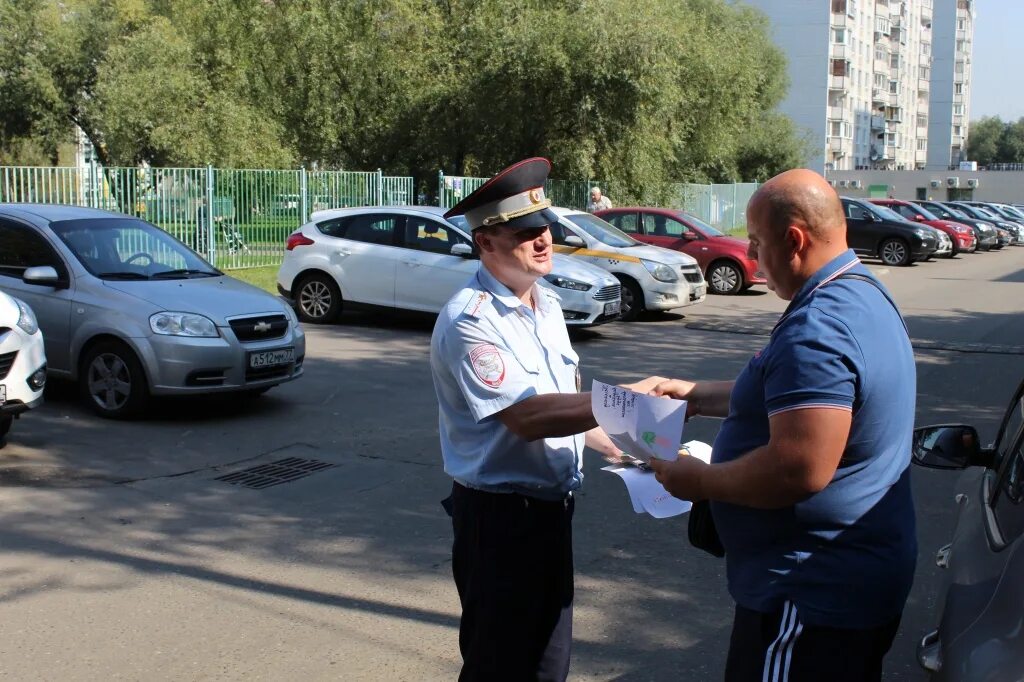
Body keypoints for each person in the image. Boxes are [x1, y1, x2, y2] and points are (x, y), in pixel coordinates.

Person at [646, 168, 917, 682]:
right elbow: (813, 402)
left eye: (756, 242)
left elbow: (797, 470)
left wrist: (696, 480)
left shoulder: (819, 328)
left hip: (808, 593)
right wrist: (699, 395)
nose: (751, 255)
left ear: (793, 240)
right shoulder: (860, 293)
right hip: (854, 579)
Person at [430, 158, 649, 681]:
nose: (542, 239)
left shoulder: (547, 305)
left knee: (550, 665)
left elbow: (565, 404)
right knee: (499, 665)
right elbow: (528, 417)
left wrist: (628, 447)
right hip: (499, 520)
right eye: (525, 231)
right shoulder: (470, 320)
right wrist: (623, 402)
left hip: (551, 513)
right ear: (486, 243)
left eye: (544, 225)